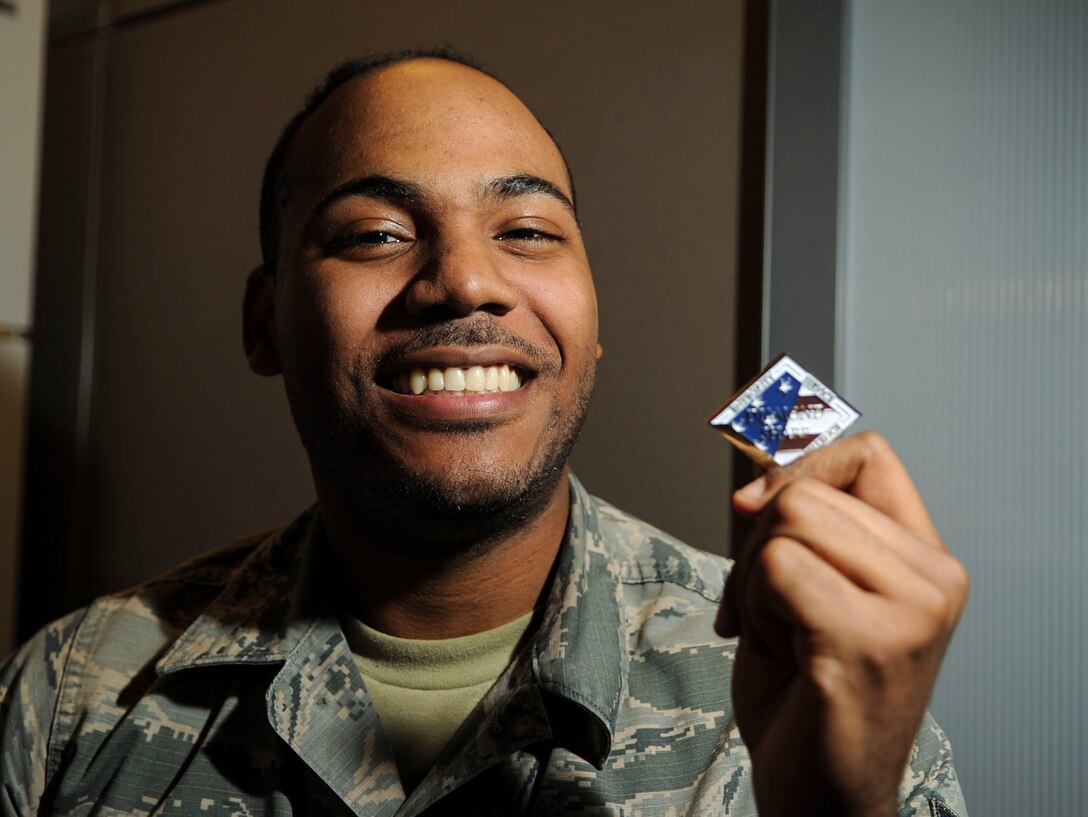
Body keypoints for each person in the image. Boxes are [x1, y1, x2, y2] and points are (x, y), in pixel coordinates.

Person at [0, 50, 969, 817]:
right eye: (376, 232)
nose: (466, 280)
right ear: (265, 324)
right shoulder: (75, 695)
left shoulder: (812, 690)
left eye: (528, 231)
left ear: (590, 328)